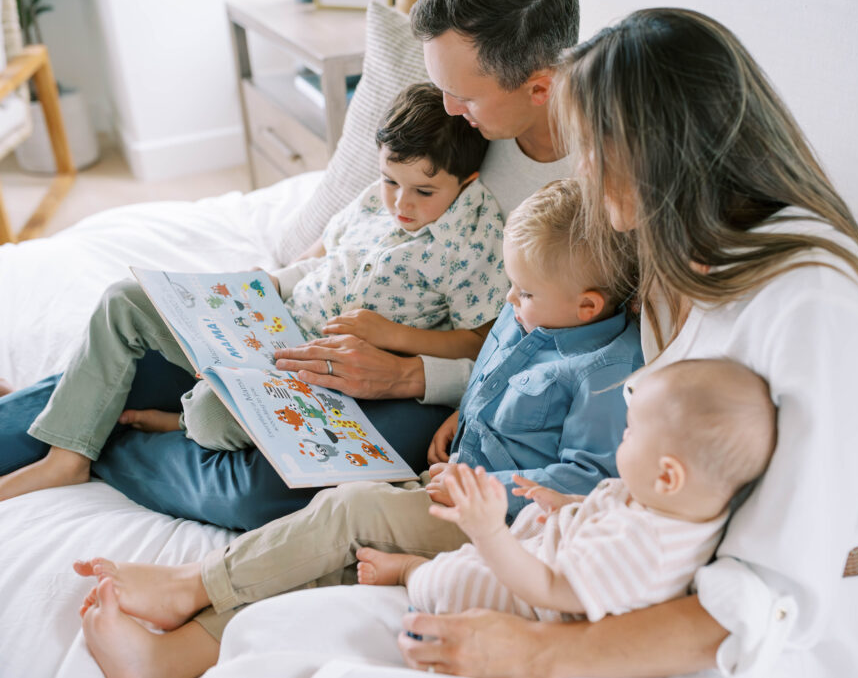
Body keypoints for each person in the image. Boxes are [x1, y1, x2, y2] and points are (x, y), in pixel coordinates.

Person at [387, 8, 858, 677]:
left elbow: (763, 596)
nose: (582, 171)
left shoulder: (817, 311)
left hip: (742, 640)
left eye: (589, 147)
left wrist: (535, 652)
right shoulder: (683, 251)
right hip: (624, 561)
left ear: (648, 151)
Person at [0, 0, 578, 530]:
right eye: (442, 88)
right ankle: (72, 439)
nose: (451, 109)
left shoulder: (595, 187)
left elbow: (523, 347)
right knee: (129, 341)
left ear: (538, 87)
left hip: (413, 381)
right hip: (301, 327)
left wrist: (405, 369)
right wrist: (254, 292)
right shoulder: (450, 118)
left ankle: (103, 440)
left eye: (466, 96)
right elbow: (334, 245)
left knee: (262, 490)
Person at [74, 178, 645, 677]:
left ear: (588, 307)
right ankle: (173, 657)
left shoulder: (606, 373)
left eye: (523, 294)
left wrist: (485, 494)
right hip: (450, 477)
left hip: (497, 523)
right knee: (334, 558)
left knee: (349, 509)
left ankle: (191, 585)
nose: (510, 301)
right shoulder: (531, 313)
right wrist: (461, 414)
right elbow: (493, 376)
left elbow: (586, 479)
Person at [0, 82, 508, 501]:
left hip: (314, 374)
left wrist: (390, 334)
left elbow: (479, 340)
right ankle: (66, 458)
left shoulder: (474, 237)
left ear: (467, 180)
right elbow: (320, 256)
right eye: (389, 181)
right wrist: (267, 281)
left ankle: (172, 420)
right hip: (270, 319)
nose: (400, 203)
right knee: (123, 300)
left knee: (207, 415)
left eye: (423, 192)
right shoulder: (375, 202)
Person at [357, 359, 776, 625]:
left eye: (629, 434)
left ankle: (413, 572)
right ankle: (431, 563)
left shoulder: (646, 549)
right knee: (491, 545)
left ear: (668, 476)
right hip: (552, 545)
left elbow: (550, 589)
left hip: (536, 600)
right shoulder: (674, 504)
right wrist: (565, 502)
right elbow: (607, 506)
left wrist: (489, 533)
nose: (621, 442)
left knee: (455, 578)